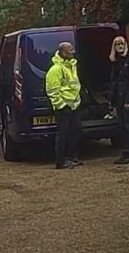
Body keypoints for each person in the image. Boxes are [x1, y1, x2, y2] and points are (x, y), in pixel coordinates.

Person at [46, 41, 82, 169]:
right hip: (64, 108)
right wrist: (61, 105)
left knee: (74, 133)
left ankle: (71, 158)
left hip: (74, 105)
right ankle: (61, 161)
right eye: (70, 50)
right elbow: (52, 91)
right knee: (63, 134)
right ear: (63, 52)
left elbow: (74, 85)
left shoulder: (71, 66)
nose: (73, 52)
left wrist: (76, 101)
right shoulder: (55, 69)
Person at [109, 35, 129, 164]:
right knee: (121, 126)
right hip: (119, 98)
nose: (120, 47)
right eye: (117, 44)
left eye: (121, 44)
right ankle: (125, 151)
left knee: (128, 125)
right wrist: (112, 100)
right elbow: (114, 82)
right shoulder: (116, 62)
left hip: (128, 98)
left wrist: (128, 100)